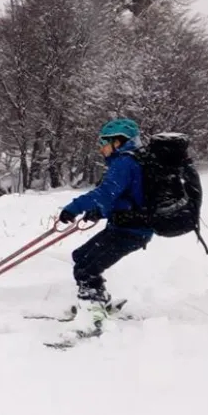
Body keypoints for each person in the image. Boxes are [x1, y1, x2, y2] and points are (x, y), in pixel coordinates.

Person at [58, 118, 153, 325]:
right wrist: (99, 212)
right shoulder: (132, 161)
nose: (101, 148)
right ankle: (99, 301)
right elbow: (126, 197)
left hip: (131, 231)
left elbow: (104, 193)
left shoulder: (125, 163)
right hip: (125, 226)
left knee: (86, 269)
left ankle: (92, 316)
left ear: (118, 141)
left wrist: (72, 209)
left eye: (104, 142)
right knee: (81, 257)